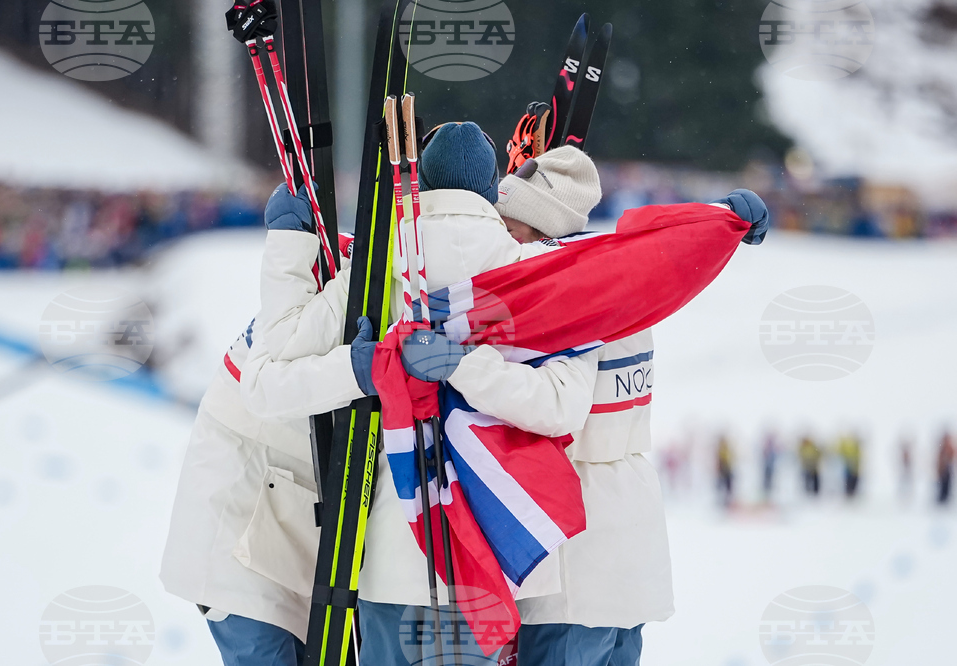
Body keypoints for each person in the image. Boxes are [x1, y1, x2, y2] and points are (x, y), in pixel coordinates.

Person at [237, 123, 595, 666]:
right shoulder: (539, 272)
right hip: (499, 552)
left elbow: (271, 369)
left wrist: (291, 250)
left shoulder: (376, 265)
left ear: (420, 182)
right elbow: (561, 406)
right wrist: (473, 368)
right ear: (495, 188)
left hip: (388, 551)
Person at [409, 146, 770, 666]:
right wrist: (719, 219)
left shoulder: (563, 294)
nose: (498, 245)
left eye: (506, 227)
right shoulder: (618, 279)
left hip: (574, 557)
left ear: (538, 231)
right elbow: (663, 248)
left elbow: (549, 403)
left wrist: (460, 365)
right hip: (629, 547)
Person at [158, 183, 352, 666]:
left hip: (280, 545)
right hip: (238, 546)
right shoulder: (284, 332)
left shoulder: (307, 306)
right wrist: (360, 369)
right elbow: (274, 394)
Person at [837, 432, 862, 498]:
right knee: (848, 482)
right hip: (849, 468)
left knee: (854, 482)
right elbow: (842, 452)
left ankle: (852, 495)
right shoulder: (848, 447)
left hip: (855, 469)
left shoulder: (857, 448)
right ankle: (848, 495)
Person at [717, 435, 735, 507]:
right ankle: (724, 502)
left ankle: (727, 502)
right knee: (723, 488)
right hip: (723, 472)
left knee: (728, 488)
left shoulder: (725, 450)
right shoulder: (721, 450)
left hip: (727, 471)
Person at [937, 430, 955, 505]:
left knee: (947, 484)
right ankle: (942, 498)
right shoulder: (942, 448)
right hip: (943, 470)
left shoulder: (949, 447)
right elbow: (939, 460)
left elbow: (952, 455)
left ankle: (945, 498)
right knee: (942, 485)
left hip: (947, 470)